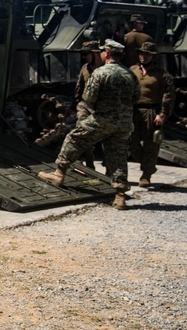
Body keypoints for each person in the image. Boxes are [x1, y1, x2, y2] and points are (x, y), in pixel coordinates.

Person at [39, 39, 140, 210]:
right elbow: (136, 98)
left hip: (103, 118)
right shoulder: (130, 74)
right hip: (124, 122)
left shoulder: (100, 73)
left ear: (106, 53)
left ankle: (59, 174)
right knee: (118, 155)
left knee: (74, 138)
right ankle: (120, 195)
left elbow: (89, 98)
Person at [129, 41, 174, 187]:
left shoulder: (162, 75)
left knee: (151, 145)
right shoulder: (132, 70)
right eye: (142, 53)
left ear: (153, 56)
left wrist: (162, 114)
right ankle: (149, 165)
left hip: (151, 111)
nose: (144, 56)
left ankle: (146, 175)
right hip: (134, 111)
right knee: (131, 143)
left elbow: (168, 96)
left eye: (147, 54)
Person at [73, 39, 104, 169]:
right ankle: (89, 165)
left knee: (106, 139)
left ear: (95, 54)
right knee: (83, 136)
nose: (84, 57)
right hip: (86, 107)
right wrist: (78, 104)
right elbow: (79, 88)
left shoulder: (106, 69)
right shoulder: (85, 68)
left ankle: (109, 170)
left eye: (86, 54)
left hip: (103, 109)